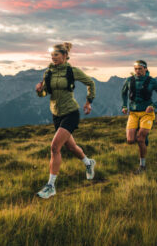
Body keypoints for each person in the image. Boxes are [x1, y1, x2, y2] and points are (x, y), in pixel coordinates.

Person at [35, 42, 96, 199]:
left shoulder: (72, 71)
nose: (53, 57)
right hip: (56, 114)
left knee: (55, 147)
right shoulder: (48, 72)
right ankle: (89, 163)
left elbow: (90, 83)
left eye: (56, 55)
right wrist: (39, 91)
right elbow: (45, 93)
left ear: (64, 56)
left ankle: (50, 186)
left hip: (71, 112)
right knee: (72, 147)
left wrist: (89, 102)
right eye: (52, 55)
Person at [121, 60, 157, 174]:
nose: (138, 71)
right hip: (133, 113)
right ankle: (142, 132)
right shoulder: (129, 80)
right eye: (136, 69)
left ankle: (142, 167)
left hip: (147, 114)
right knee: (130, 140)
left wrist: (154, 106)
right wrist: (124, 105)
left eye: (140, 69)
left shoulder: (152, 82)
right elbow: (123, 93)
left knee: (140, 139)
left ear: (145, 69)